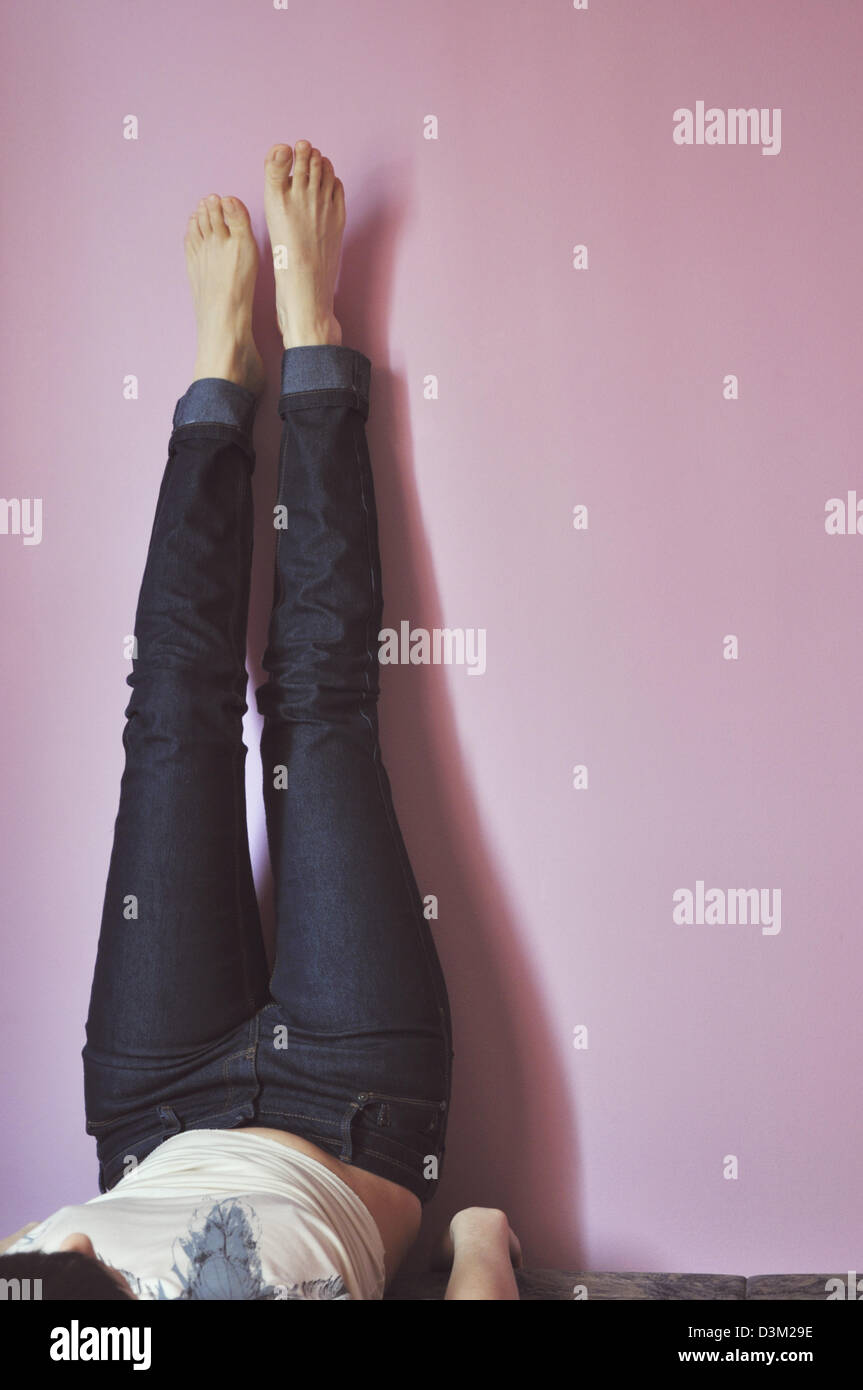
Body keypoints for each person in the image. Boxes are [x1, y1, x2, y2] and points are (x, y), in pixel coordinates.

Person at [0, 142, 521, 1301]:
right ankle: (313, 333)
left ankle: (218, 375)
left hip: (154, 1115)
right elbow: (479, 1248)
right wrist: (480, 1239)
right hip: (357, 1116)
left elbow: (66, 1269)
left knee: (175, 722)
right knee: (320, 713)